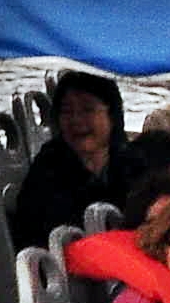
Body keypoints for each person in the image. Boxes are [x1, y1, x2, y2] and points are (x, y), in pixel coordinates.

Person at [8, 73, 130, 252]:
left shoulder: (130, 161)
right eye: (66, 111)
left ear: (112, 115)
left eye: (87, 110)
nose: (76, 120)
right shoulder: (49, 166)